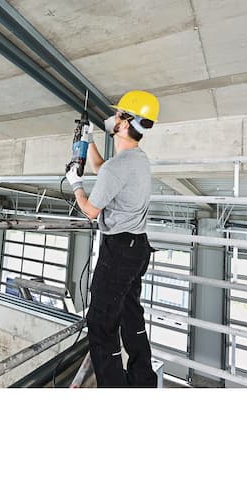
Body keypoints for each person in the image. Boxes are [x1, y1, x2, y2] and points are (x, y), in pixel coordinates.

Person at [65, 90, 160, 388]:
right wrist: (89, 141)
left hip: (119, 250)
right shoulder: (136, 159)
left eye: (118, 114)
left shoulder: (119, 166)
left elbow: (91, 210)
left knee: (101, 321)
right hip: (138, 247)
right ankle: (143, 379)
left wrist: (76, 185)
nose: (113, 117)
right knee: (131, 314)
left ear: (125, 122)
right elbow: (103, 170)